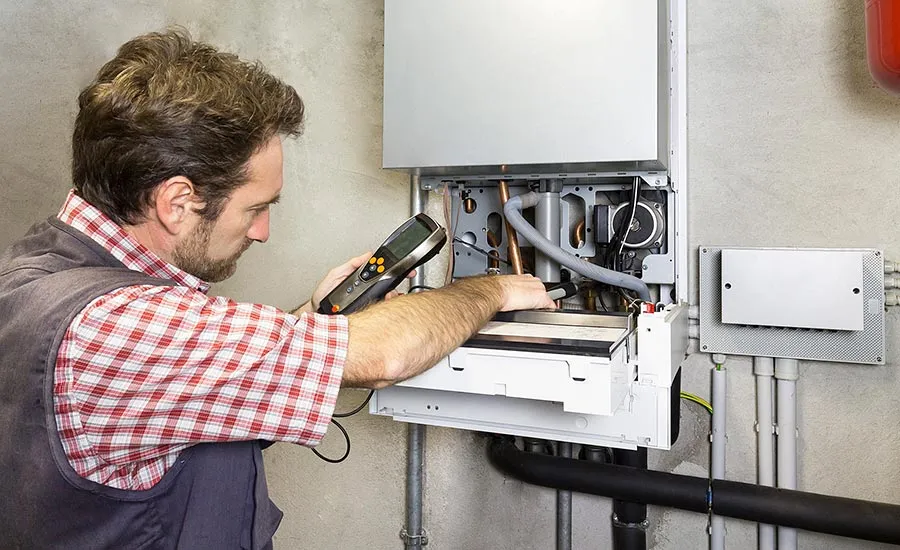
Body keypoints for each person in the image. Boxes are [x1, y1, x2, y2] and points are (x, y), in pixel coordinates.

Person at [0, 29, 553, 549]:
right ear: (175, 201)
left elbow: (194, 382)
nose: (262, 231)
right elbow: (386, 355)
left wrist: (315, 313)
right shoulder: (116, 327)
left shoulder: (38, 277)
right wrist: (490, 290)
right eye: (256, 208)